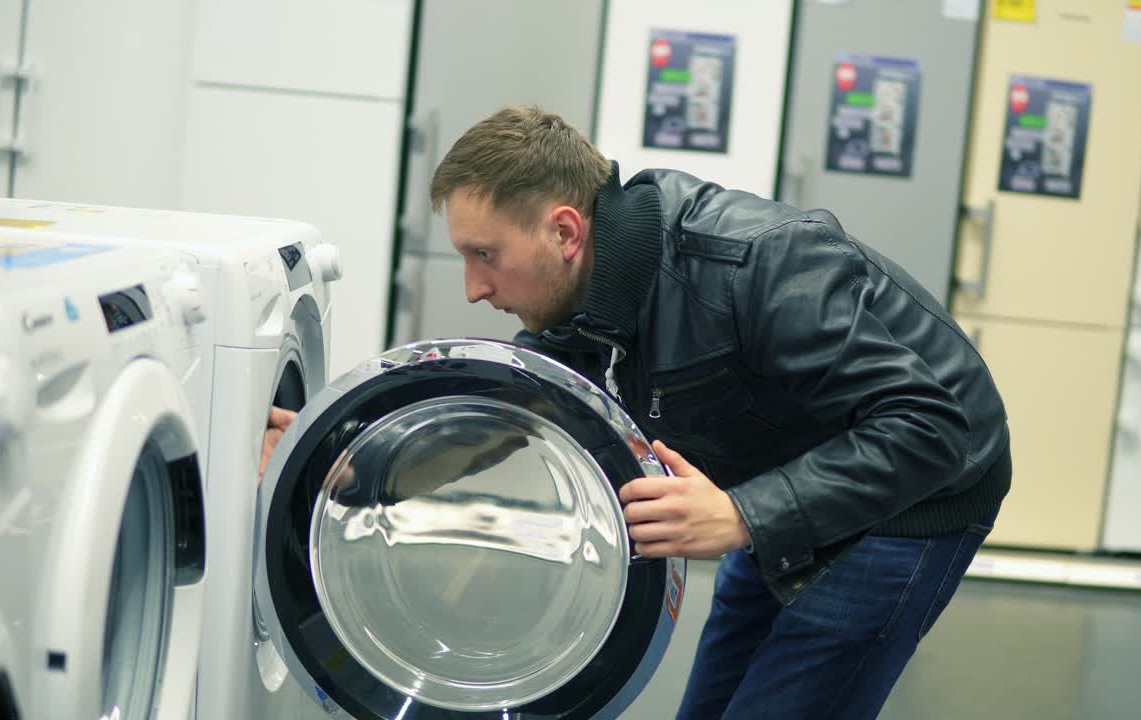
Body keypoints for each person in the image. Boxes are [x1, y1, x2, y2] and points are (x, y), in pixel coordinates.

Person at [264, 105, 1011, 719]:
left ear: (564, 231)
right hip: (778, 475)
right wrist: (352, 470)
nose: (472, 289)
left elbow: (931, 426)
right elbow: (504, 411)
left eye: (484, 255)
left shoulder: (760, 262)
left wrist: (745, 516)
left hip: (916, 495)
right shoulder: (585, 291)